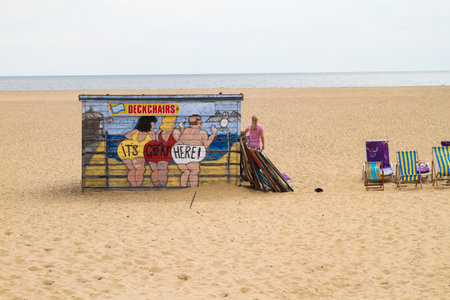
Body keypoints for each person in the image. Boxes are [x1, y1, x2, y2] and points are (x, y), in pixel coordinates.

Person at [175, 115, 218, 187]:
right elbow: (206, 145)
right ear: (198, 122)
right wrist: (213, 134)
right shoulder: (202, 133)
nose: (201, 122)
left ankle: (182, 188)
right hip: (192, 155)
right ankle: (193, 189)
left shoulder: (186, 130)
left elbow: (184, 139)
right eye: (200, 120)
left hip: (180, 155)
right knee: (194, 172)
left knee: (185, 172)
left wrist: (182, 128)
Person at [117, 116, 157, 187]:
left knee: (132, 170)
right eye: (153, 123)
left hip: (126, 153)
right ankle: (137, 185)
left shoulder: (134, 132)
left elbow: (125, 137)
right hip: (137, 153)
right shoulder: (151, 134)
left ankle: (133, 185)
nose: (154, 126)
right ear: (147, 123)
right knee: (140, 169)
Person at [144, 116, 183, 187]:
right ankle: (162, 186)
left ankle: (156, 186)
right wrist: (182, 129)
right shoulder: (176, 132)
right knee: (163, 171)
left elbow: (157, 142)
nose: (175, 124)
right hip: (165, 154)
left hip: (154, 153)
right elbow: (182, 142)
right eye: (174, 122)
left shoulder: (159, 132)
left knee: (155, 171)